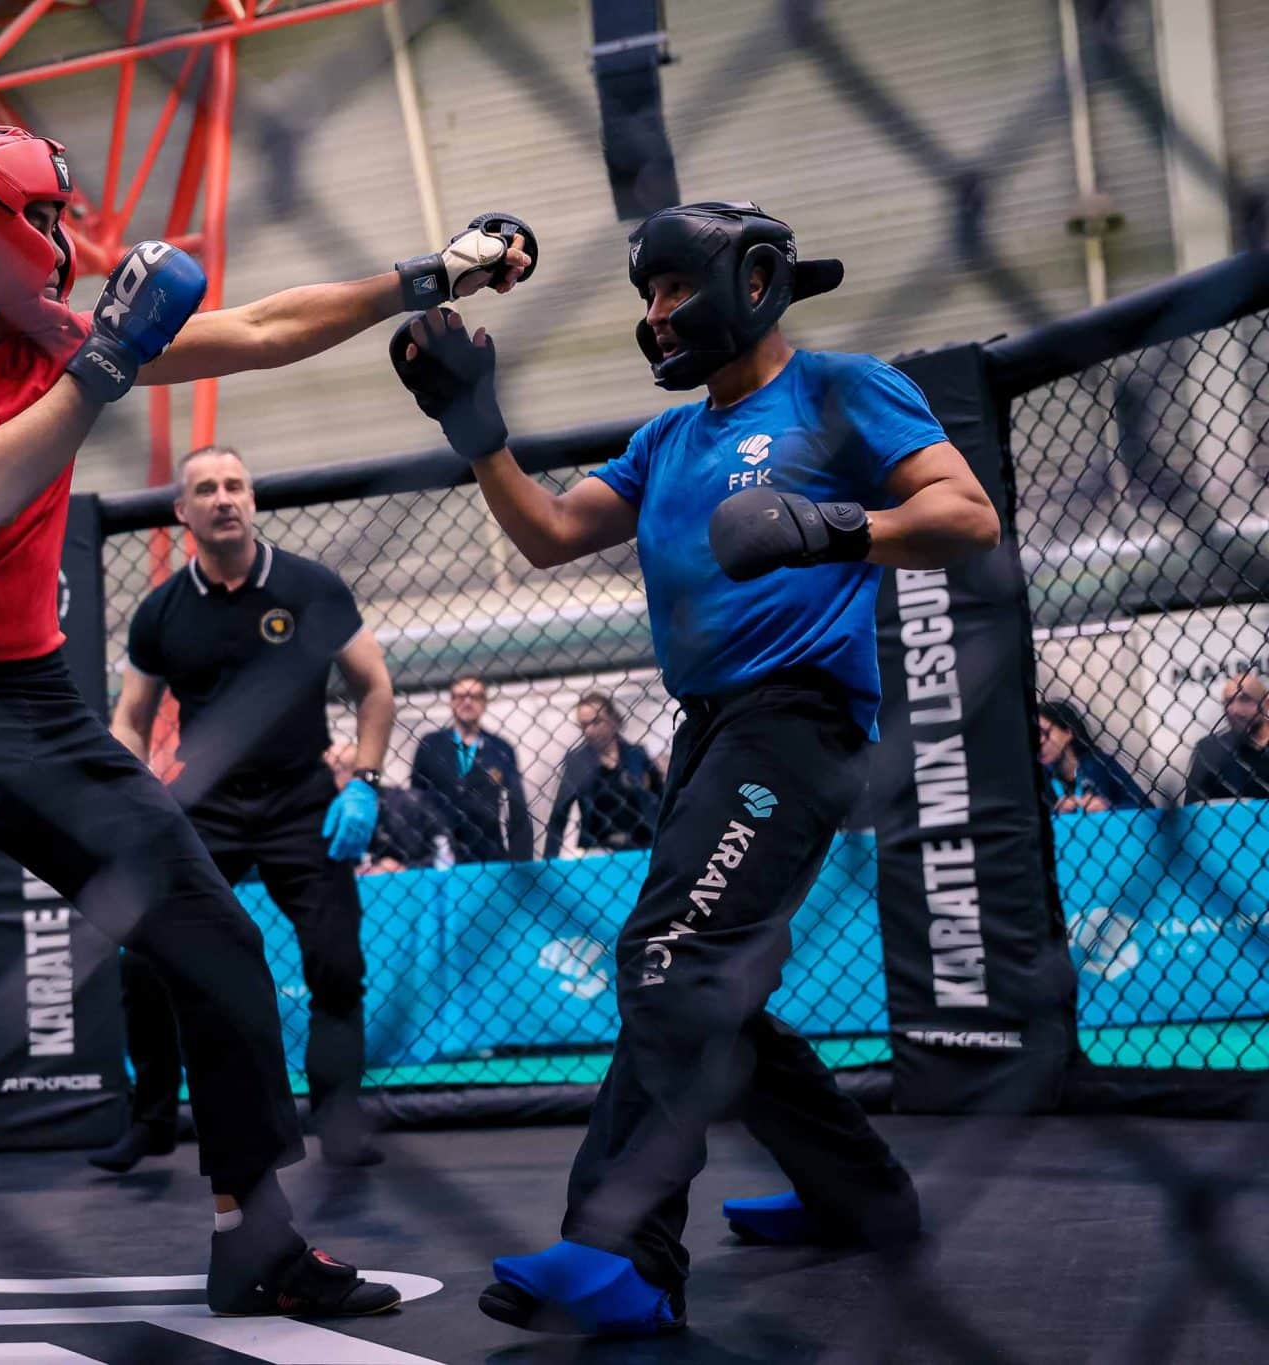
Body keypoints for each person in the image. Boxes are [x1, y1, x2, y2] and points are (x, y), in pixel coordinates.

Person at [0, 123, 533, 1364]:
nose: (60, 246)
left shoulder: (56, 342)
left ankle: (254, 1238)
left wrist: (429, 273)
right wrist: (106, 360)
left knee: (213, 941)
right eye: (40, 220)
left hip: (35, 705)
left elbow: (262, 328)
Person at [390, 200, 1002, 1336]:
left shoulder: (838, 389)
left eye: (674, 289)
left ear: (752, 282)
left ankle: (622, 1254)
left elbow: (966, 514)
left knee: (669, 957)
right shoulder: (666, 442)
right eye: (648, 297)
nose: (658, 315)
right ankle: (862, 1196)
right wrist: (477, 433)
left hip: (796, 722)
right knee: (711, 982)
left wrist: (836, 527)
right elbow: (548, 534)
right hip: (707, 733)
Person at [103, 445, 396, 1172]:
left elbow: (375, 687)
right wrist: (138, 797)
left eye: (235, 485)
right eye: (206, 489)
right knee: (146, 958)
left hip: (303, 798)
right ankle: (152, 1118)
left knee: (335, 962)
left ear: (253, 499)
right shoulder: (161, 611)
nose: (224, 498)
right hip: (206, 804)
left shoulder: (309, 586)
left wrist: (365, 780)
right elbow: (130, 718)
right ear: (183, 511)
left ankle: (338, 1116)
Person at [411, 675, 533, 863]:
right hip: (438, 851)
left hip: (489, 851)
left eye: (475, 697)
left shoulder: (501, 749)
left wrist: (521, 862)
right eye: (460, 696)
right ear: (451, 702)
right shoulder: (430, 745)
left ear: (484, 703)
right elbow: (415, 798)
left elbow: (517, 809)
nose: (467, 702)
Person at [545, 693, 664, 856]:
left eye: (596, 722)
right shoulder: (577, 761)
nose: (589, 731)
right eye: (583, 725)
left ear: (613, 721)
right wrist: (549, 861)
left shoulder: (636, 754)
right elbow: (559, 815)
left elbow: (662, 798)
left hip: (643, 843)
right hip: (598, 848)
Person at [329, 743, 448, 871]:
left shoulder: (410, 804)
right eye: (328, 772)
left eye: (341, 769)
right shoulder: (326, 812)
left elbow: (446, 856)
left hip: (417, 878)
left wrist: (404, 869)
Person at [1036, 699, 1148, 812]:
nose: (1039, 742)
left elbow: (1148, 809)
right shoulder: (1041, 776)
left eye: (1045, 733)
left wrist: (1109, 809)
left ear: (1068, 732)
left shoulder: (1096, 763)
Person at [1185, 670, 1269, 803]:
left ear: (1266, 703)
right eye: (1229, 702)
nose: (1234, 710)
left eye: (1245, 699)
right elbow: (1194, 808)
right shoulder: (1209, 750)